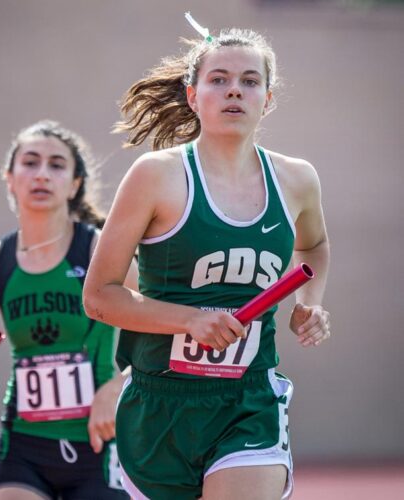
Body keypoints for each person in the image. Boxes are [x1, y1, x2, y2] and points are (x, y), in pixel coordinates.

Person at [83, 15, 331, 500]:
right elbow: (99, 297)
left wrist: (310, 301)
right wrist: (191, 320)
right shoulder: (156, 176)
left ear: (269, 99)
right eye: (219, 80)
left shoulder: (297, 179)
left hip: (248, 399)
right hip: (159, 403)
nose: (234, 91)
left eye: (250, 81)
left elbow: (314, 246)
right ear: (193, 95)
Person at [0, 120, 137, 500]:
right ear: (9, 177)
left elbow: (171, 322)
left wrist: (119, 385)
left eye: (57, 164)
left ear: (74, 183)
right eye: (30, 162)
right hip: (23, 446)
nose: (42, 174)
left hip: (98, 442)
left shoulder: (97, 251)